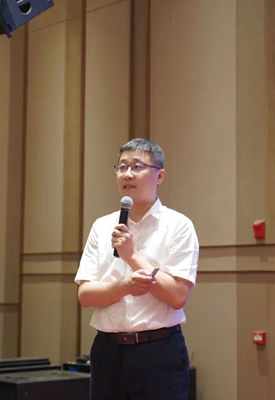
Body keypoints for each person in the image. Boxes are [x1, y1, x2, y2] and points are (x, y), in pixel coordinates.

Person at [75, 138, 199, 400]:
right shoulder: (101, 226)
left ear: (160, 175)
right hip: (108, 352)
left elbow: (178, 296)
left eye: (137, 166)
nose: (127, 174)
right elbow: (85, 296)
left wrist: (131, 256)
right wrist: (125, 286)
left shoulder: (178, 225)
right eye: (122, 167)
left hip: (159, 352)